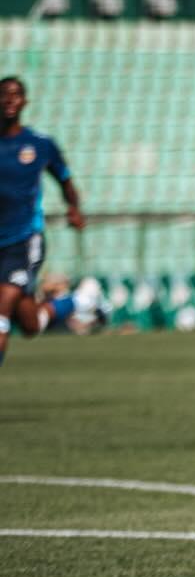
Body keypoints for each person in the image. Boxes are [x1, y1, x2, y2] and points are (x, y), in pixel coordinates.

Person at [0, 76, 85, 369]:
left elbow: (65, 179)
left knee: (1, 310)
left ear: (25, 102)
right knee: (30, 325)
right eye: (4, 95)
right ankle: (75, 302)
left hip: (24, 240)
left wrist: (74, 208)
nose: (9, 100)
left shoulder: (39, 145)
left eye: (16, 95)